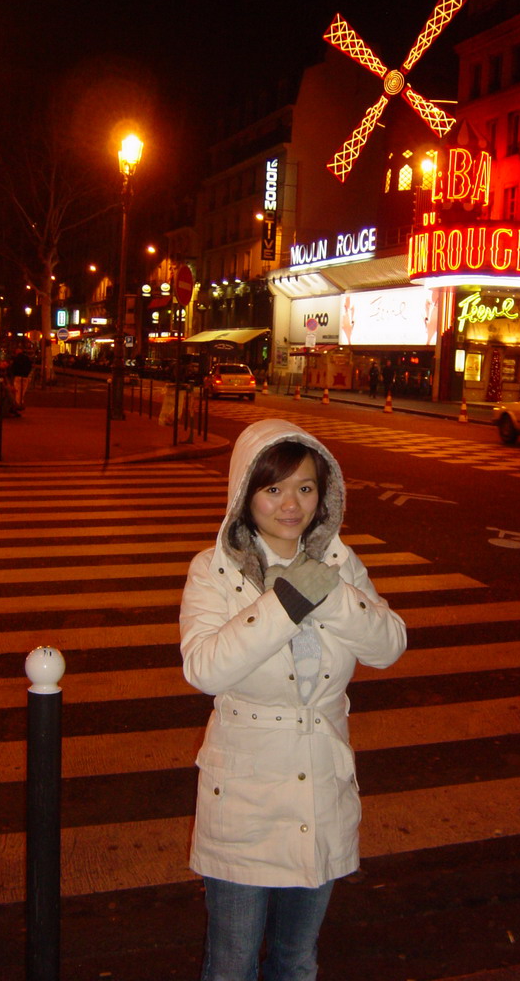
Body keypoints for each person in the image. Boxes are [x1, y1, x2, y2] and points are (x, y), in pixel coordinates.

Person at [180, 419, 407, 981]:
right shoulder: (214, 570)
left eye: (305, 488)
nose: (291, 505)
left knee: (296, 960)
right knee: (231, 963)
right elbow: (204, 668)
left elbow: (389, 645)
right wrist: (289, 600)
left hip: (320, 789)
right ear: (245, 494)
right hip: (244, 797)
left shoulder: (338, 561)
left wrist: (328, 597)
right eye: (274, 488)